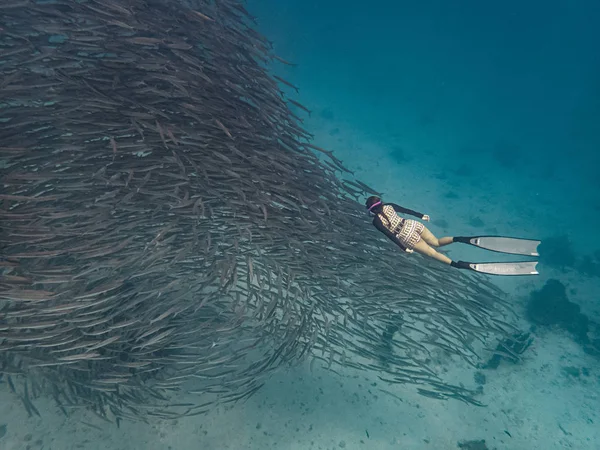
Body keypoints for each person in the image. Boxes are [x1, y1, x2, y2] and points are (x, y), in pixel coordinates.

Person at [365, 195, 541, 275]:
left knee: (434, 254)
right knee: (437, 242)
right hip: (413, 224)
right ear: (380, 201)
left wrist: (404, 247)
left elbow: (389, 235)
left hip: (405, 235)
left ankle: (457, 265)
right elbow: (406, 211)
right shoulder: (389, 205)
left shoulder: (376, 221)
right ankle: (460, 239)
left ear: (372, 211)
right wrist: (422, 216)